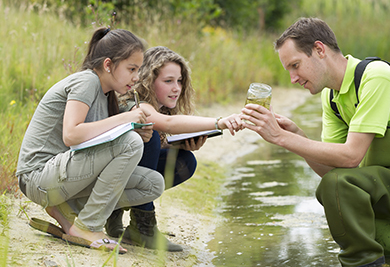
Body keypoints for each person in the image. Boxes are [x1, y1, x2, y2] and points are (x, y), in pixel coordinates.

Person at [240, 17, 390, 267]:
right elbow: (334, 173)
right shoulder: (331, 97)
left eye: (295, 65)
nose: (293, 78)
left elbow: (351, 156)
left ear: (320, 50)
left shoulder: (376, 78)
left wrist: (280, 137)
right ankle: (367, 264)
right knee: (335, 184)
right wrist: (297, 136)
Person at [16, 28, 165, 254]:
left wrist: (134, 127)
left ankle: (68, 212)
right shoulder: (87, 81)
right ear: (108, 65)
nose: (136, 77)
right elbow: (72, 134)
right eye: (131, 69)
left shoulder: (106, 95)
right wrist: (124, 119)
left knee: (153, 183)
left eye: (138, 70)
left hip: (63, 176)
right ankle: (88, 226)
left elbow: (95, 143)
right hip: (37, 177)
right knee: (130, 143)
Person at [106, 46, 243, 251]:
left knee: (184, 161)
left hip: (122, 175)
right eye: (168, 81)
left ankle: (120, 212)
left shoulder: (157, 107)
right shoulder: (138, 105)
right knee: (150, 136)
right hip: (105, 178)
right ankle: (142, 226)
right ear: (149, 81)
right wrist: (219, 122)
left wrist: (177, 144)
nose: (176, 88)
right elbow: (166, 125)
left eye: (179, 81)